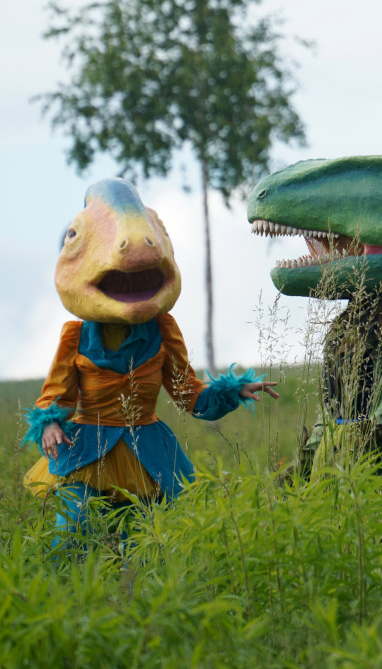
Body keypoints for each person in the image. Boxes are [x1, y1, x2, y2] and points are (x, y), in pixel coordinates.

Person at [24, 178, 278, 541]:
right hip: (86, 454)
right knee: (75, 531)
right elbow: (56, 397)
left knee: (149, 540)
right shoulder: (75, 336)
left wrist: (233, 390)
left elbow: (191, 396)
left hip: (148, 456)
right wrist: (49, 424)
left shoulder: (162, 329)